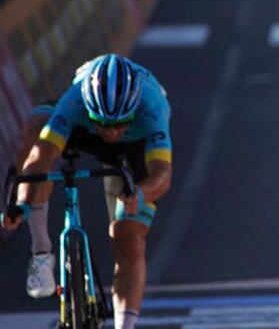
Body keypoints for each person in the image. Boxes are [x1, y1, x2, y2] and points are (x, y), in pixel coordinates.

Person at [4, 54, 173, 329]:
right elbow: (41, 156)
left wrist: (139, 194)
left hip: (135, 146)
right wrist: (20, 203)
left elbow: (162, 175)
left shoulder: (152, 107)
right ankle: (41, 251)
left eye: (119, 124)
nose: (111, 133)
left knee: (127, 236)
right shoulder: (75, 101)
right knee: (35, 128)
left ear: (134, 110)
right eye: (103, 123)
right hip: (83, 130)